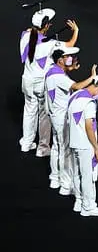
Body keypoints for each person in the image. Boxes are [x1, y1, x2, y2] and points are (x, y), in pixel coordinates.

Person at [19, 9, 78, 155]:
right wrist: (76, 30)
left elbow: (30, 30)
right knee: (44, 114)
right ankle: (43, 148)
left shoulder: (25, 36)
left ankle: (26, 143)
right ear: (45, 26)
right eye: (49, 24)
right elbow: (70, 44)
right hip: (40, 84)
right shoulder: (50, 44)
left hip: (26, 81)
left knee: (29, 111)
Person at [44, 48, 94, 193]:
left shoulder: (51, 70)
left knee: (56, 147)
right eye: (67, 56)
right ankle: (65, 185)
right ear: (60, 60)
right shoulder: (59, 77)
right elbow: (76, 86)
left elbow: (61, 78)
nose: (71, 58)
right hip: (61, 117)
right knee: (65, 151)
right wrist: (92, 77)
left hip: (54, 115)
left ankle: (54, 178)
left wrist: (69, 68)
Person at [68, 74, 98, 217]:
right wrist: (96, 148)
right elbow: (89, 126)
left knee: (76, 173)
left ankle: (79, 201)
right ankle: (88, 207)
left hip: (73, 141)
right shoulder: (89, 103)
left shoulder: (74, 96)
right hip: (85, 143)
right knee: (87, 175)